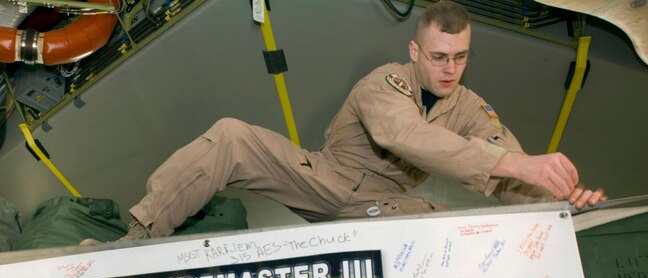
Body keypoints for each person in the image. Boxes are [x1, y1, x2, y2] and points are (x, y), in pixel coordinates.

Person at [106, 0, 605, 242]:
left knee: (454, 230)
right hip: (323, 180)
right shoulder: (384, 82)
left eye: (460, 57)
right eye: (438, 56)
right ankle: (138, 238)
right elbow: (402, 135)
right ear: (416, 51)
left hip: (384, 207)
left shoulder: (471, 109)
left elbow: (512, 172)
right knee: (231, 135)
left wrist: (559, 201)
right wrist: (514, 163)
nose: (450, 68)